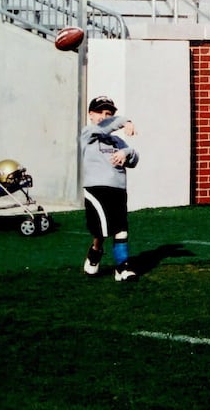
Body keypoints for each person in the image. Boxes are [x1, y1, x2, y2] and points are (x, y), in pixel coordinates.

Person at [80, 96, 140, 282]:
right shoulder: (88, 134)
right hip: (96, 189)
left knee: (121, 229)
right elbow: (105, 126)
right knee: (102, 231)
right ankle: (95, 251)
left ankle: (122, 268)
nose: (103, 116)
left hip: (118, 189)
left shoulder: (115, 141)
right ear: (90, 114)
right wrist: (126, 121)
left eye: (108, 113)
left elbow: (135, 158)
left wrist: (125, 153)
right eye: (99, 112)